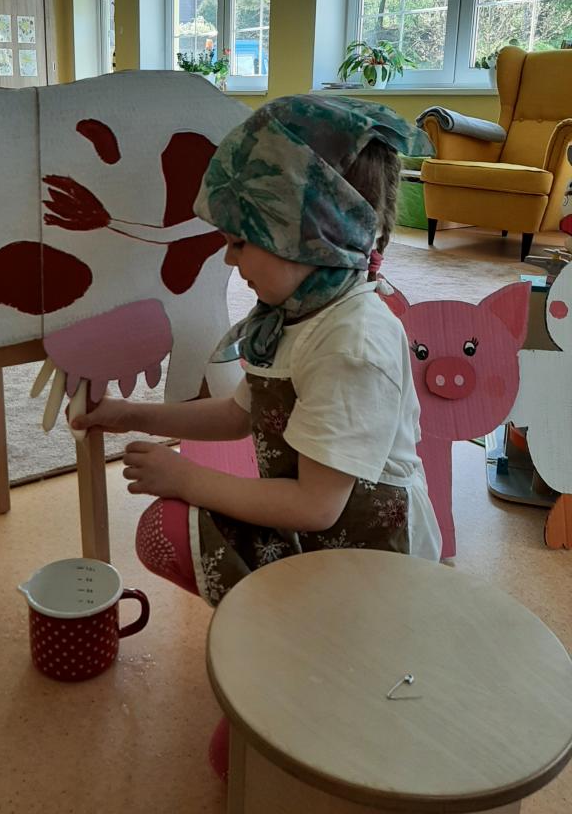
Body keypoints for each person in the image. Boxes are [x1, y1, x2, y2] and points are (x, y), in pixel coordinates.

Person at [71, 94, 442, 771]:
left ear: (312, 236)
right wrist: (132, 414)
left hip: (368, 558)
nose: (227, 258)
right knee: (164, 530)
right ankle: (290, 639)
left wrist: (187, 477)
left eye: (242, 241)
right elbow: (237, 414)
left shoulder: (353, 342)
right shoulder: (297, 314)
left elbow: (317, 504)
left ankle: (321, 661)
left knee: (246, 760)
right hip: (315, 533)